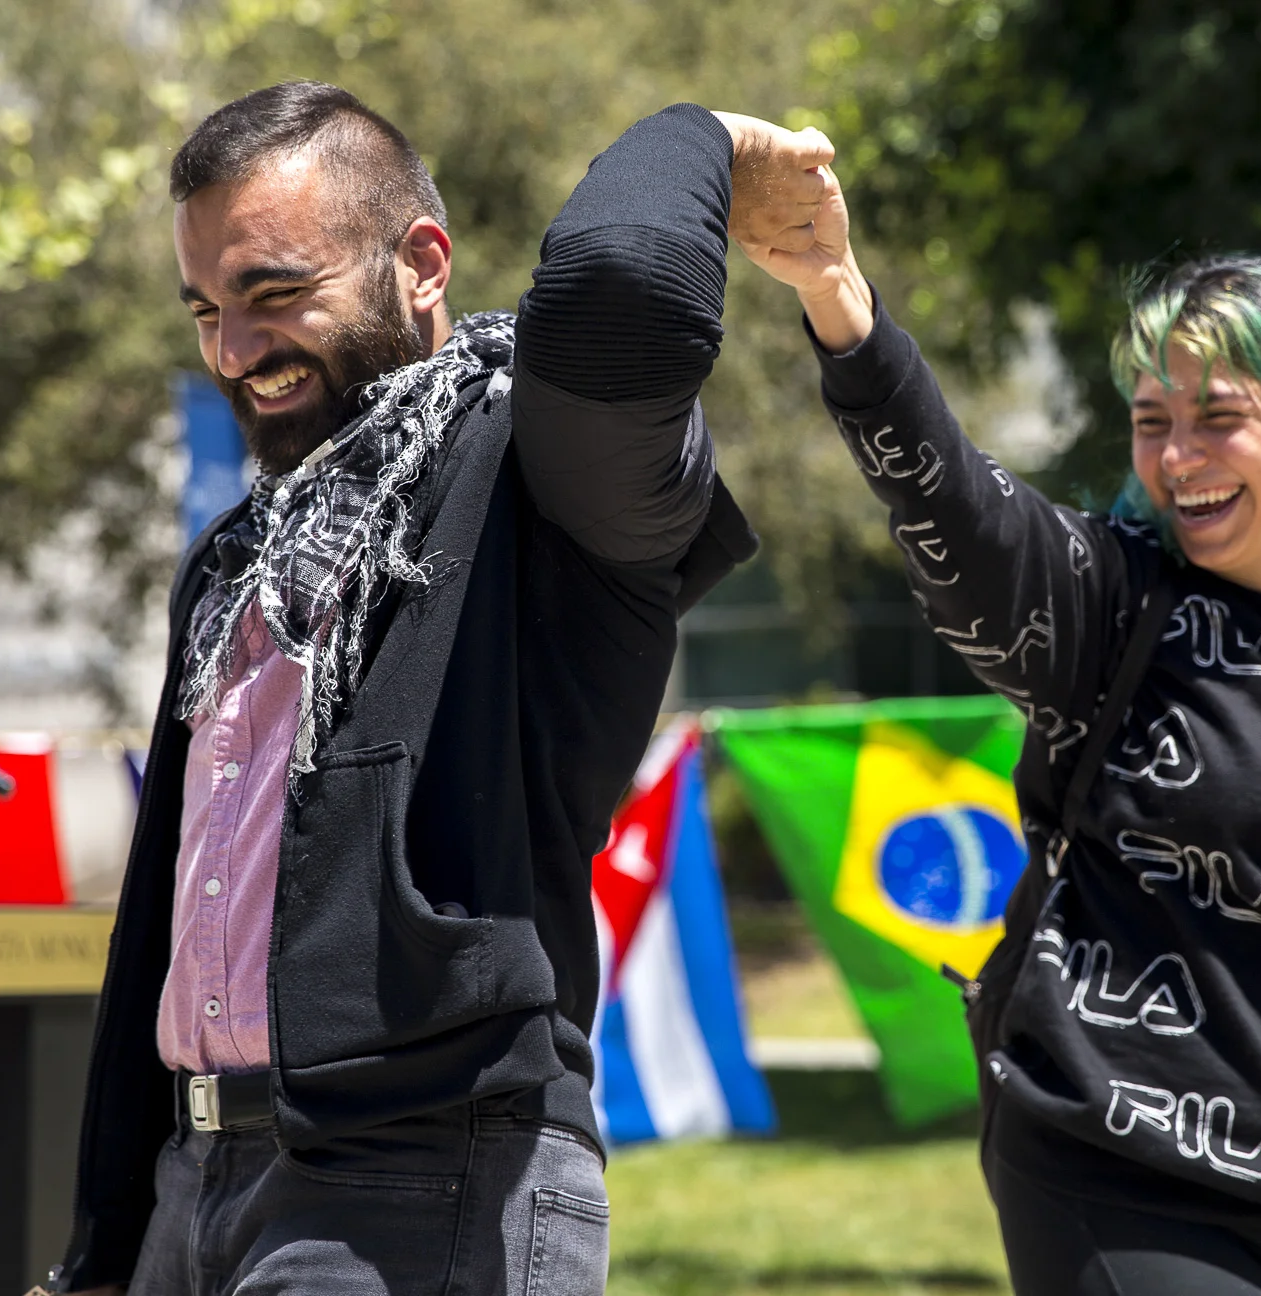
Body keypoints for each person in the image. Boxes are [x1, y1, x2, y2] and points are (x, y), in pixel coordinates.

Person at [42, 83, 829, 1294]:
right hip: (191, 1182)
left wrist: (708, 141)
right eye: (205, 309)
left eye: (273, 293)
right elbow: (173, 913)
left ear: (420, 262)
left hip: (420, 1170)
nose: (233, 353)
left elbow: (619, 285)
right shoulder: (241, 551)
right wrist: (108, 1233)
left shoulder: (541, 475)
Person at [739, 169, 1261, 1293]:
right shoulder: (1107, 603)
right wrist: (836, 292)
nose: (1177, 459)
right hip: (1118, 1177)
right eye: (1151, 422)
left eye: (1219, 419)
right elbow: (954, 505)